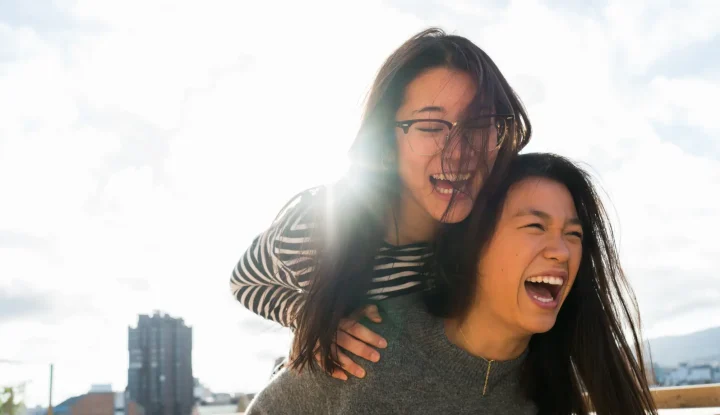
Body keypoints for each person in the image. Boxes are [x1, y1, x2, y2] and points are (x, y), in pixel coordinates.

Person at [245, 153, 658, 415]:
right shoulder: (364, 346)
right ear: (476, 243)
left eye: (574, 235)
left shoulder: (551, 391)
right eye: (535, 225)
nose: (562, 252)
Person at [230, 27, 531, 379]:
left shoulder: (497, 231)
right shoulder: (322, 223)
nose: (460, 152)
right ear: (387, 142)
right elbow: (245, 282)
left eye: (479, 125)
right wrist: (312, 320)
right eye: (431, 126)